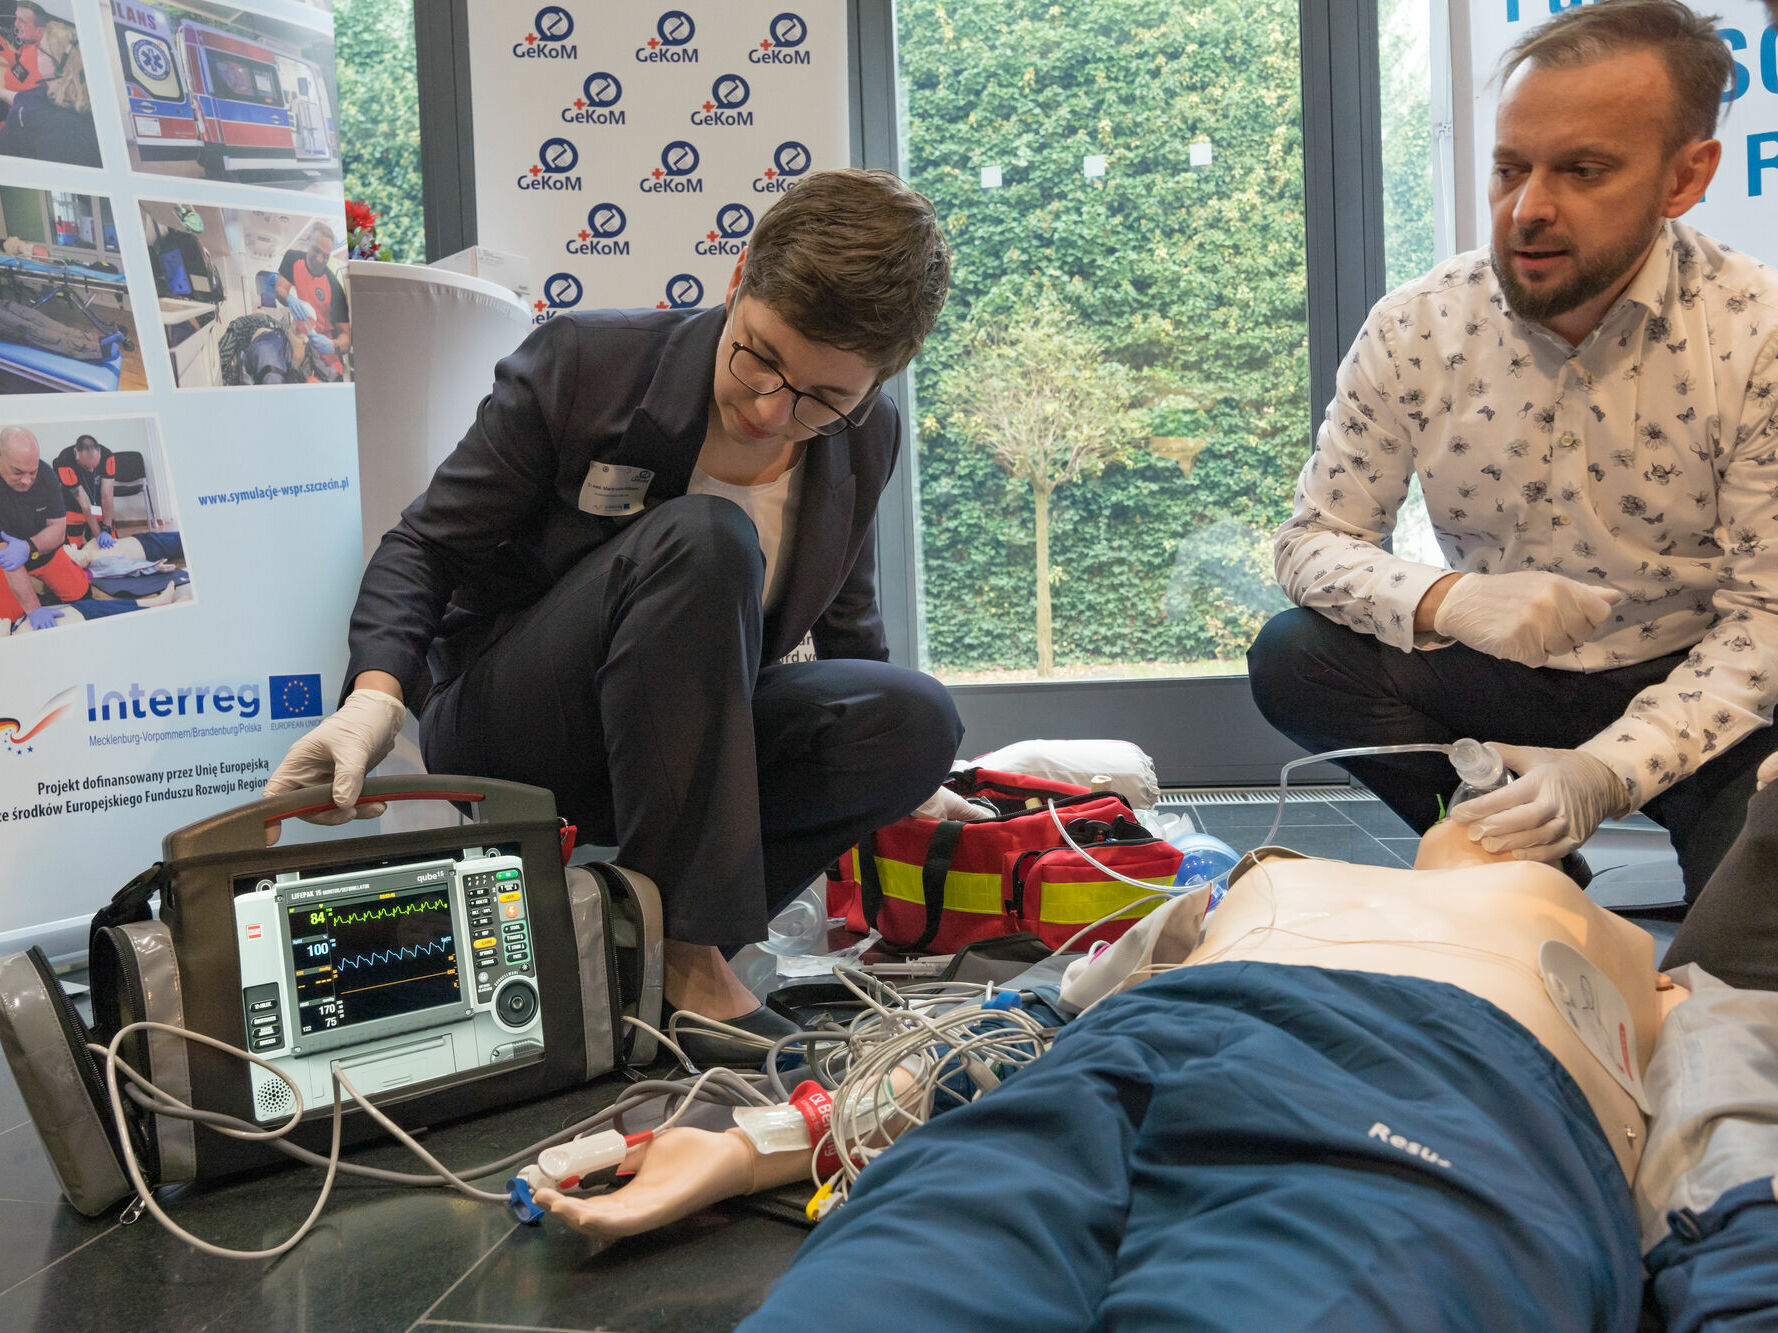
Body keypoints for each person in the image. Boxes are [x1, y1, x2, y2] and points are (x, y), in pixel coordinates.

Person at [264, 170, 962, 1057]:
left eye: (824, 399)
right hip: (521, 716)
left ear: (876, 383)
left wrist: (907, 768)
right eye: (760, 356)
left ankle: (630, 942)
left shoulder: (868, 434)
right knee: (708, 541)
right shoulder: (588, 366)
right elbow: (428, 547)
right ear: (738, 275)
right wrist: (372, 699)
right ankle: (687, 962)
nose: (772, 410)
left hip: (688, 744)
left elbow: (848, 619)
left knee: (916, 715)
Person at [540, 820, 1671, 1330]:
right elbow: (1024, 1020)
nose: (1489, 802)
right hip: (1116, 1064)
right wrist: (755, 1145)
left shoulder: (1638, 965)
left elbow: (1732, 1150)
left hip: (1420, 1085)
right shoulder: (1260, 882)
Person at [1246, 0, 1778, 900]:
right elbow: (1311, 541)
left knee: (1732, 981)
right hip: (1499, 682)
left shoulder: (1756, 334)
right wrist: (1449, 599)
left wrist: (1605, 772)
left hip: (1699, 684)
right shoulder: (1418, 325)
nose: (1528, 210)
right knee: (1295, 656)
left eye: (1583, 171)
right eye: (1509, 168)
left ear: (1684, 179)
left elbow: (1768, 615)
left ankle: (1627, 843)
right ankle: (1523, 853)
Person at [0, 423, 88, 631]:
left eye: (32, 472)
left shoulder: (47, 474)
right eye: (18, 472)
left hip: (41, 552)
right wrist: (33, 608)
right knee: (10, 618)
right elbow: (7, 554)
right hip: (4, 560)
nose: (26, 480)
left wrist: (28, 546)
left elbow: (58, 530)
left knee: (82, 594)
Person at [0, 2, 97, 168]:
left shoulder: (63, 131)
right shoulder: (48, 91)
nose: (36, 51)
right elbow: (21, 98)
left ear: (58, 62)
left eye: (40, 49)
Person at [273, 223, 348, 379]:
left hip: (327, 352)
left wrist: (332, 345)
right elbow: (280, 288)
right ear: (308, 242)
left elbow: (346, 338)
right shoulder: (293, 259)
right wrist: (290, 299)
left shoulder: (334, 286)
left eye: (326, 255)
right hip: (304, 340)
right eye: (316, 250)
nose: (320, 259)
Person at [53, 433, 114, 548]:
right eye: (86, 467)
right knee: (74, 550)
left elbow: (107, 495)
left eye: (94, 466)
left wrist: (106, 529)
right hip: (73, 506)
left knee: (112, 544)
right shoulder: (64, 461)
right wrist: (98, 535)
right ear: (76, 453)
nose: (91, 471)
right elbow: (84, 503)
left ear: (99, 451)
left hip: (98, 507)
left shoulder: (108, 456)